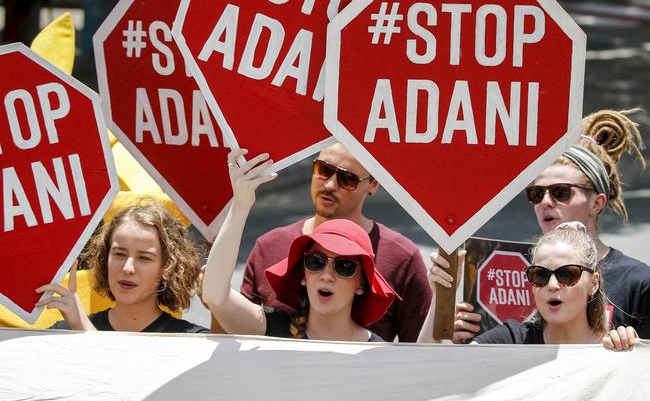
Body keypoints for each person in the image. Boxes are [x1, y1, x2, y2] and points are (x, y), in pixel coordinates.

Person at [433, 109, 649, 342]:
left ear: (597, 202)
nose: (545, 202)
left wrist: (634, 352)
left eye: (560, 192)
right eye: (536, 194)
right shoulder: (506, 267)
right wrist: (452, 331)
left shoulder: (637, 281)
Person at [239, 142, 431, 342]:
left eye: (347, 178)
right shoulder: (268, 245)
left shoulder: (403, 257)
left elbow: (423, 354)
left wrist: (454, 327)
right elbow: (230, 336)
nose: (330, 185)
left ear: (373, 185)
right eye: (324, 169)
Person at [202, 150, 397, 341]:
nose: (327, 275)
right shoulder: (272, 328)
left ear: (361, 283)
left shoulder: (377, 353)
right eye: (316, 262)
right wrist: (241, 205)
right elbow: (215, 296)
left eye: (343, 266)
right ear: (303, 274)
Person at [419, 224, 637, 350]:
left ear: (594, 283)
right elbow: (428, 372)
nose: (552, 285)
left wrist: (632, 350)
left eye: (567, 274)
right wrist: (440, 295)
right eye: (540, 275)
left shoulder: (614, 346)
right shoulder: (510, 339)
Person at [40, 203, 208, 333]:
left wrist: (85, 331)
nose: (128, 268)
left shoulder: (191, 342)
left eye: (144, 258)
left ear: (167, 267)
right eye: (119, 254)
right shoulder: (64, 333)